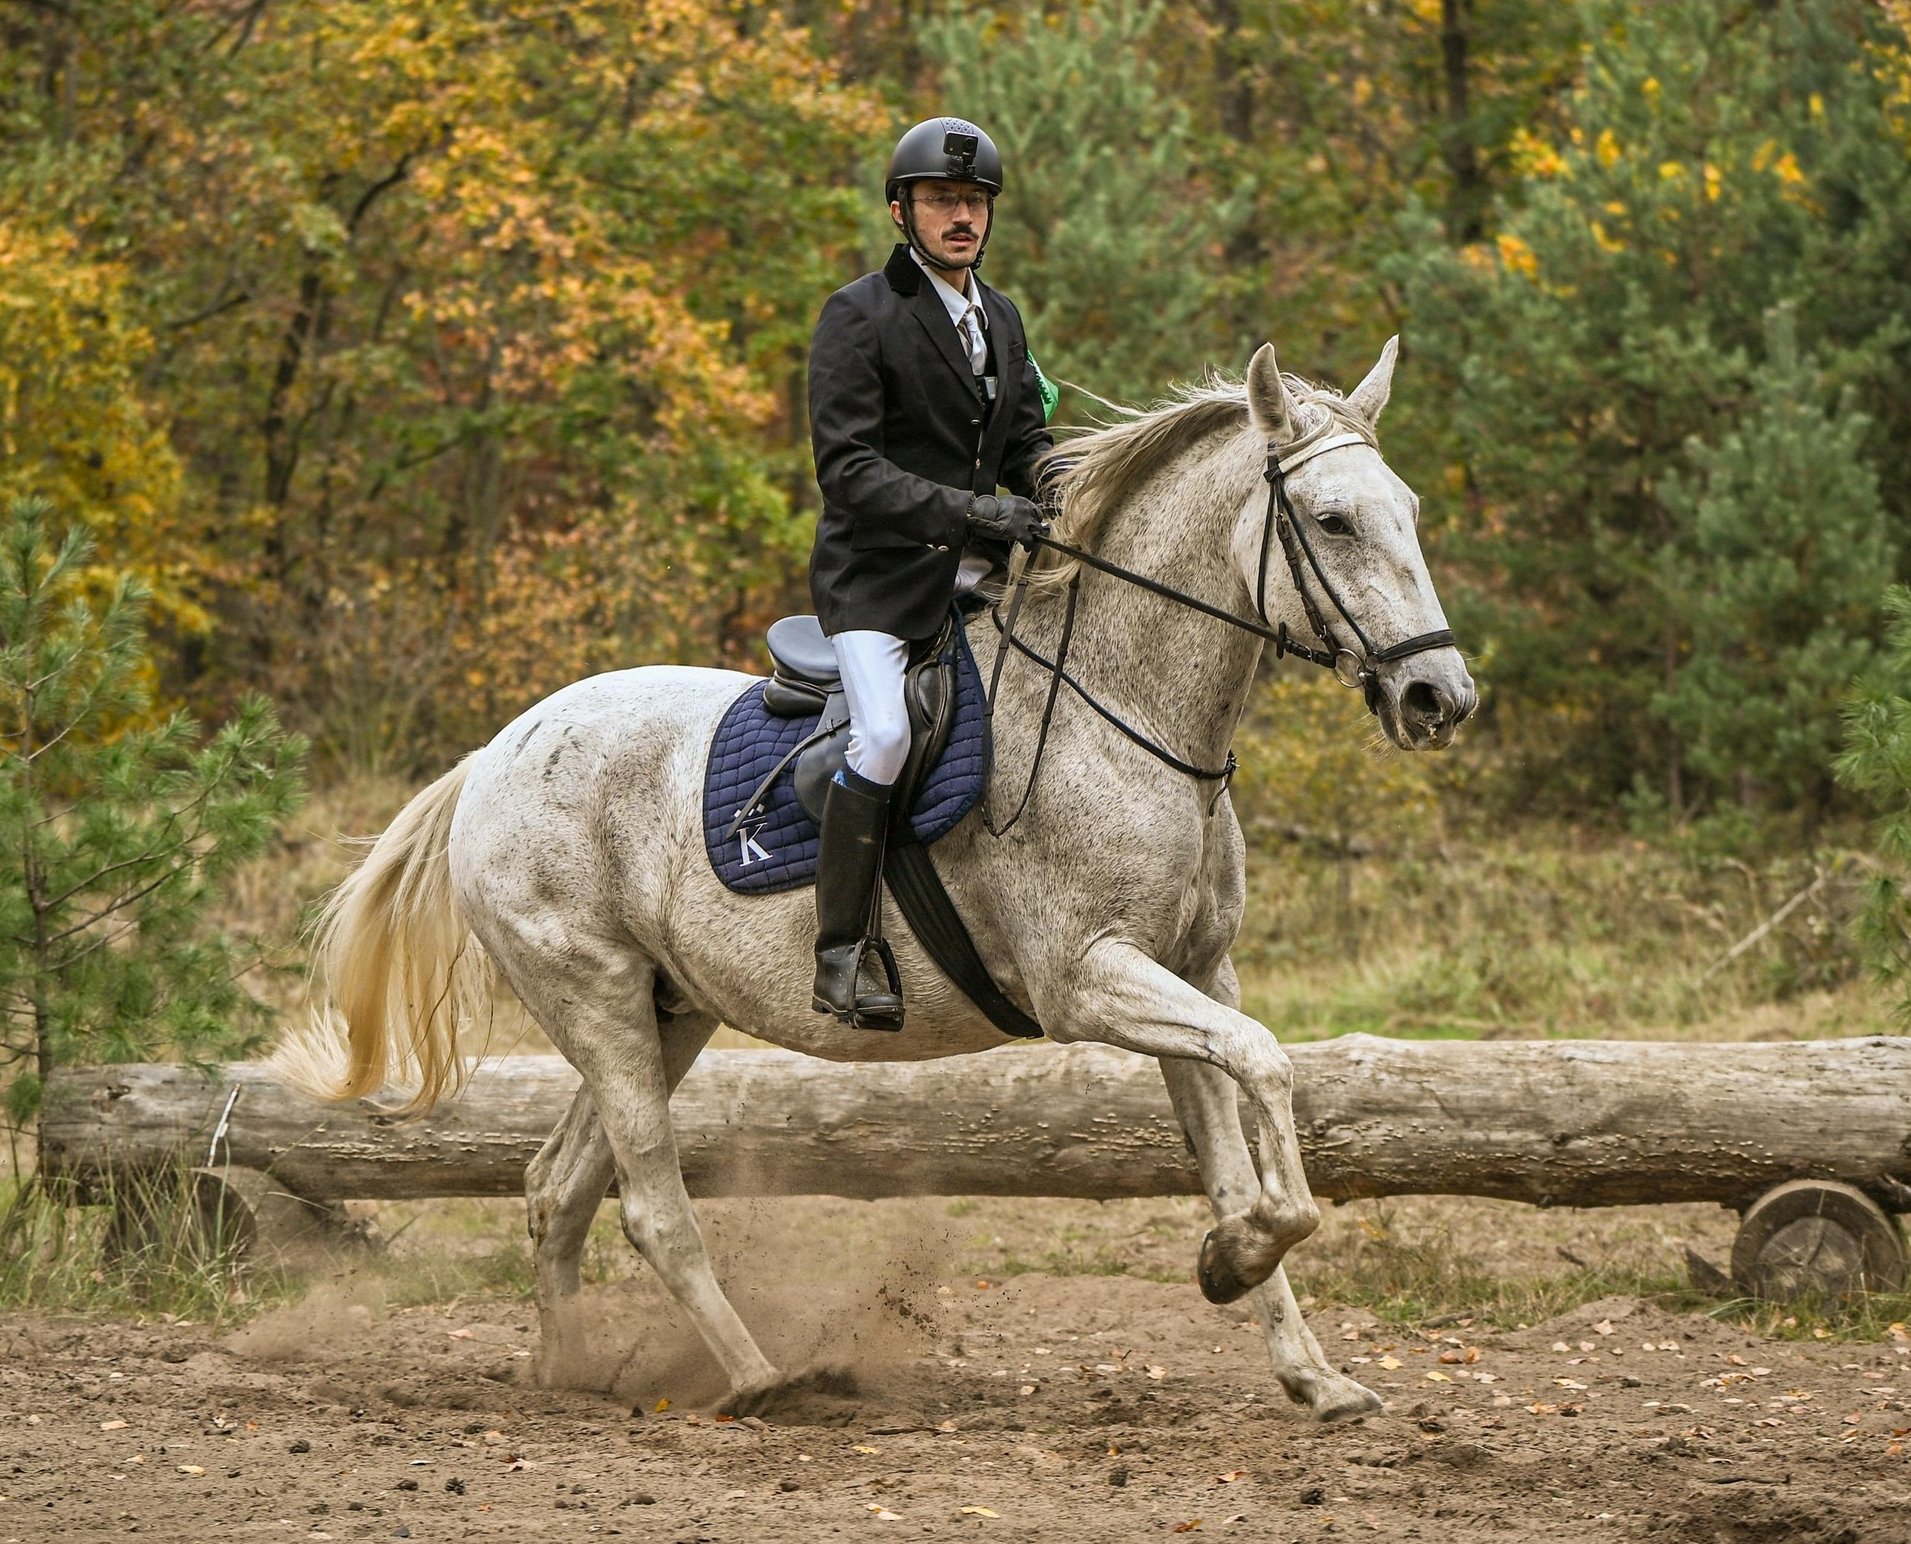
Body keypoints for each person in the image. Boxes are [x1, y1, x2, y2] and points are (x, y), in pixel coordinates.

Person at [805, 116, 1054, 1030]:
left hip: (984, 582)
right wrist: (972, 510)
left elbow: (1025, 437)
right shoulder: (858, 314)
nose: (962, 217)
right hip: (880, 586)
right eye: (943, 201)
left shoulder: (1001, 316)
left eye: (974, 203)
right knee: (882, 739)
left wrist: (1058, 484)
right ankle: (841, 951)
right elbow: (850, 471)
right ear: (902, 209)